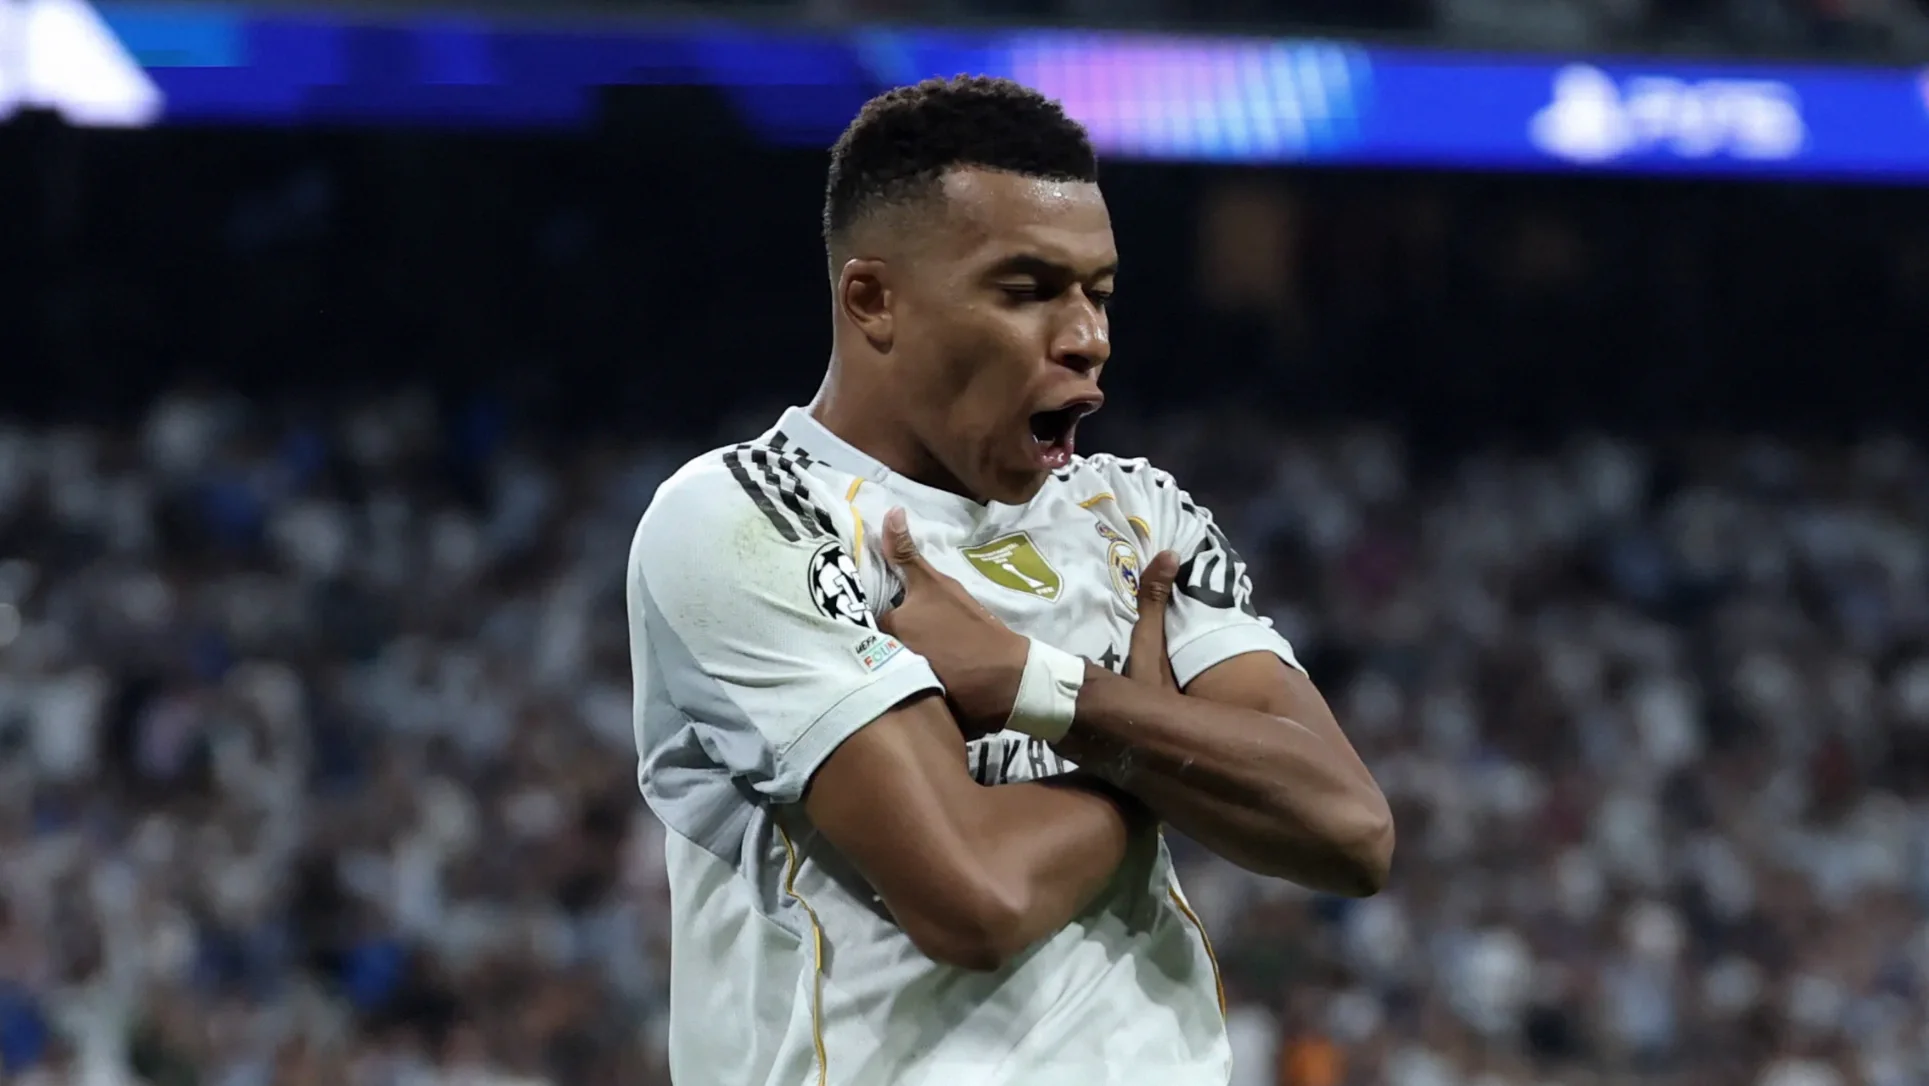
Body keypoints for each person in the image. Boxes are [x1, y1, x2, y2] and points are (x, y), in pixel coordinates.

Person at [625, 75, 1393, 1086]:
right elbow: (975, 899)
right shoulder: (749, 517)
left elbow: (1348, 829)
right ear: (873, 301)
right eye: (1026, 290)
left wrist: (1047, 690)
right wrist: (1155, 750)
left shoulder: (1137, 514)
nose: (1086, 337)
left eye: (1098, 293)